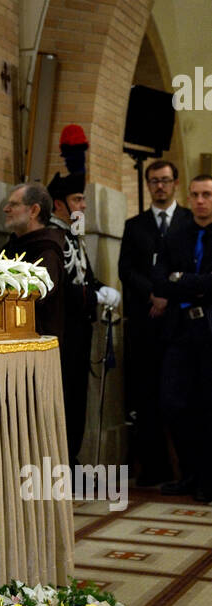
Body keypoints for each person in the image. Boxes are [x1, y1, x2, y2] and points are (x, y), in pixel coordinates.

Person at [118, 160, 193, 485]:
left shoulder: (191, 221)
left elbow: (191, 269)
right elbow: (126, 270)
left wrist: (168, 295)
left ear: (176, 182)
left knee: (182, 398)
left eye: (165, 180)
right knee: (146, 396)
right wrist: (154, 294)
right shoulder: (135, 225)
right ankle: (153, 470)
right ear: (147, 185)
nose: (159, 186)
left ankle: (191, 472)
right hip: (145, 323)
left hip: (181, 324)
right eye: (154, 182)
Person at [48, 173, 121, 466]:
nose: (83, 205)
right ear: (59, 204)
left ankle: (73, 457)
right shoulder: (54, 237)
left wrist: (101, 286)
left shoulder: (72, 235)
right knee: (65, 398)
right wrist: (94, 297)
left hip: (80, 331)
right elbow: (63, 289)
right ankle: (63, 460)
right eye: (77, 199)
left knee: (78, 397)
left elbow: (84, 276)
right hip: (63, 333)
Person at [151, 174, 212, 503]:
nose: (200, 201)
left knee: (208, 405)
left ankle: (207, 478)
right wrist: (196, 282)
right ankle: (189, 474)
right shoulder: (177, 234)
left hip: (209, 331)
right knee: (174, 402)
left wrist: (182, 280)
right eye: (195, 195)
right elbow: (160, 280)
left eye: (207, 195)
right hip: (180, 331)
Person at [2, 183, 65, 342]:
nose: (6, 209)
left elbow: (32, 297)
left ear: (34, 210)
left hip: (35, 342)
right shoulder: (9, 247)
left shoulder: (47, 251)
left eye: (14, 204)